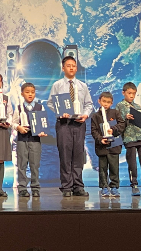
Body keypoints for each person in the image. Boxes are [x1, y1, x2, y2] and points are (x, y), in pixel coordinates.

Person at [48, 56, 93, 197]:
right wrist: (60, 112)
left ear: (76, 68)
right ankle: (66, 186)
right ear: (63, 68)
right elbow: (50, 103)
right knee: (65, 155)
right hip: (64, 124)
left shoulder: (82, 86)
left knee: (78, 155)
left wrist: (85, 115)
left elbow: (89, 104)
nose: (71, 68)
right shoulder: (57, 85)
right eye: (68, 65)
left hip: (79, 124)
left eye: (73, 65)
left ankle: (78, 186)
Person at [117, 82, 141, 196]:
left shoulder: (138, 106)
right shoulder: (120, 106)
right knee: (132, 163)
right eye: (129, 93)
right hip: (130, 138)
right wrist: (125, 117)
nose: (131, 96)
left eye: (133, 93)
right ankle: (134, 185)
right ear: (123, 93)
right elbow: (118, 121)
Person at [13, 82, 49, 197]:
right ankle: (22, 188)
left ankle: (35, 187)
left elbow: (43, 122)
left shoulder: (40, 107)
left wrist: (42, 131)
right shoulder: (19, 108)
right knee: (22, 164)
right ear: (22, 94)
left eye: (32, 92)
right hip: (22, 139)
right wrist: (18, 127)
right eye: (27, 92)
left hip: (35, 140)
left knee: (34, 164)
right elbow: (13, 123)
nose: (30, 94)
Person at [90, 91, 125, 197]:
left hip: (114, 146)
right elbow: (94, 131)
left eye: (108, 102)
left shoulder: (115, 113)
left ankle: (114, 187)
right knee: (102, 168)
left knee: (114, 167)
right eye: (104, 101)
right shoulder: (95, 116)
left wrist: (113, 129)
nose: (106, 104)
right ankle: (104, 187)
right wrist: (100, 139)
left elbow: (122, 125)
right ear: (99, 101)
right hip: (102, 147)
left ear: (111, 103)